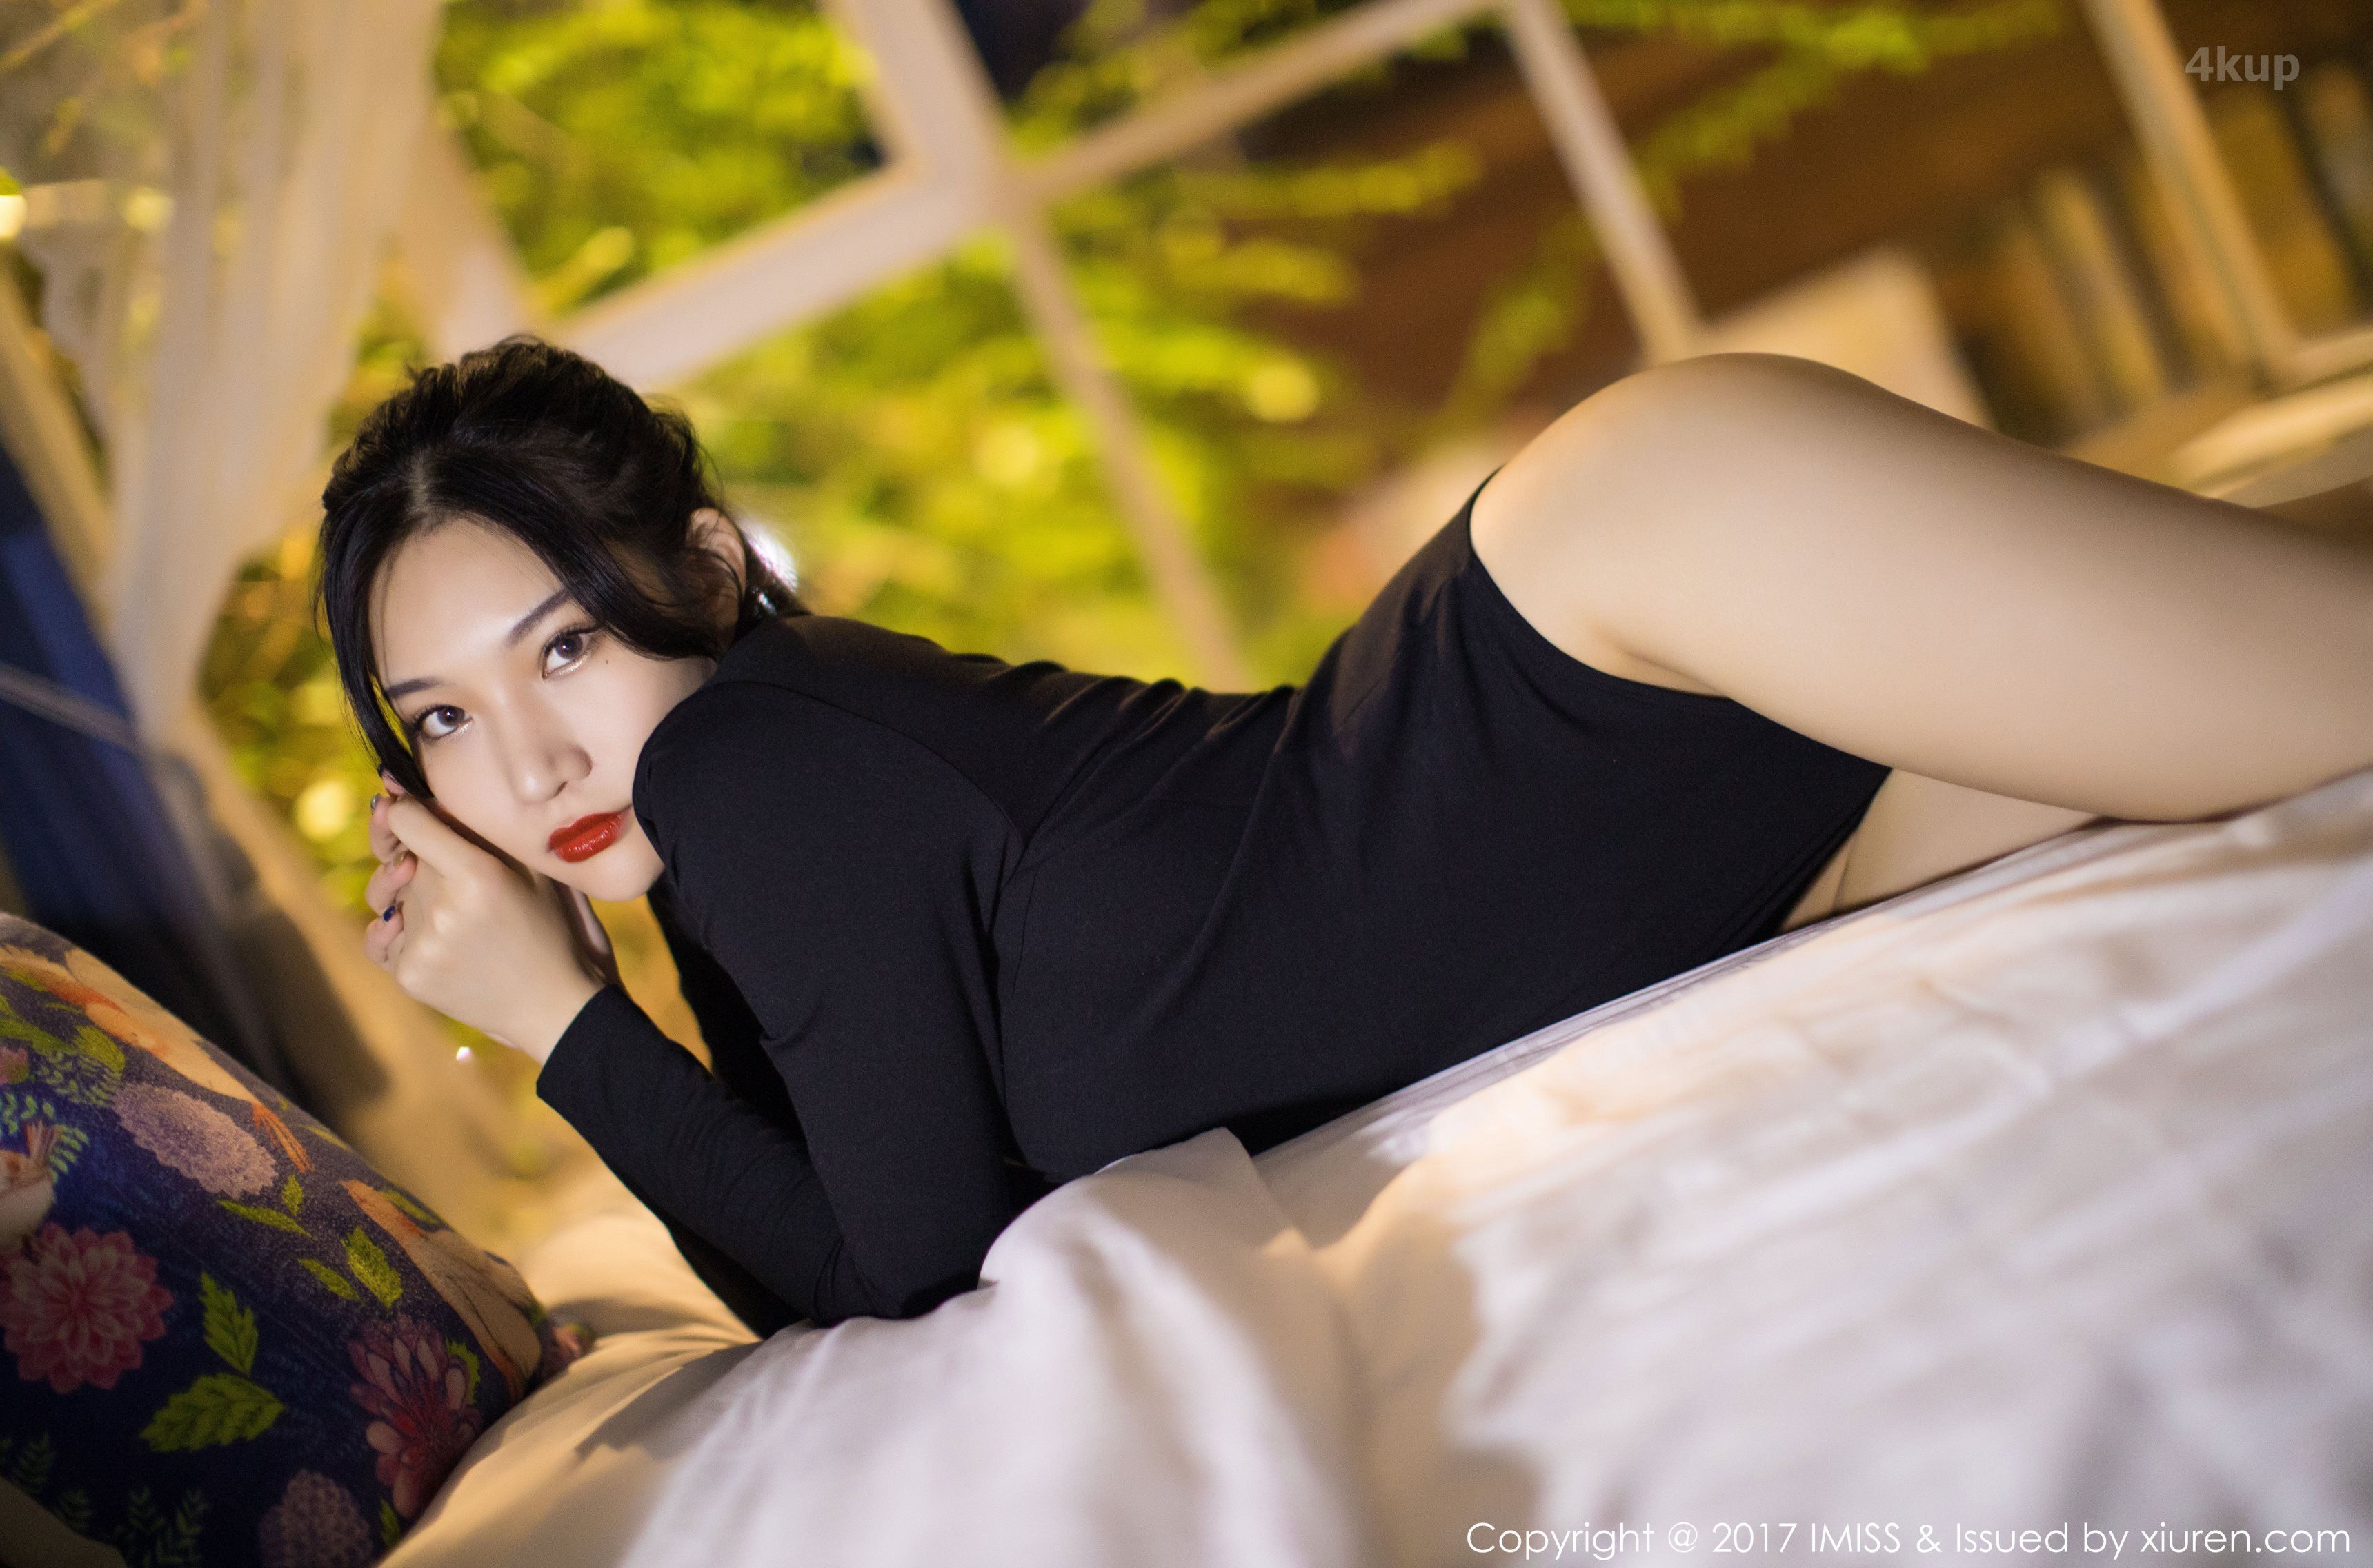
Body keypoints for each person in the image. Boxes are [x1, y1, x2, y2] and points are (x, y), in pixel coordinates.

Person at [326, 337, 2373, 1335]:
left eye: (564, 645)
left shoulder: (744, 767)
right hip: (1760, 829)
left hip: (1625, 617)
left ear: (702, 567)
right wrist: (596, 1012)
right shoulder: (747, 849)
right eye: (445, 719)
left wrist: (558, 1028)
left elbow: (912, 1269)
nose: (531, 758)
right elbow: (825, 1262)